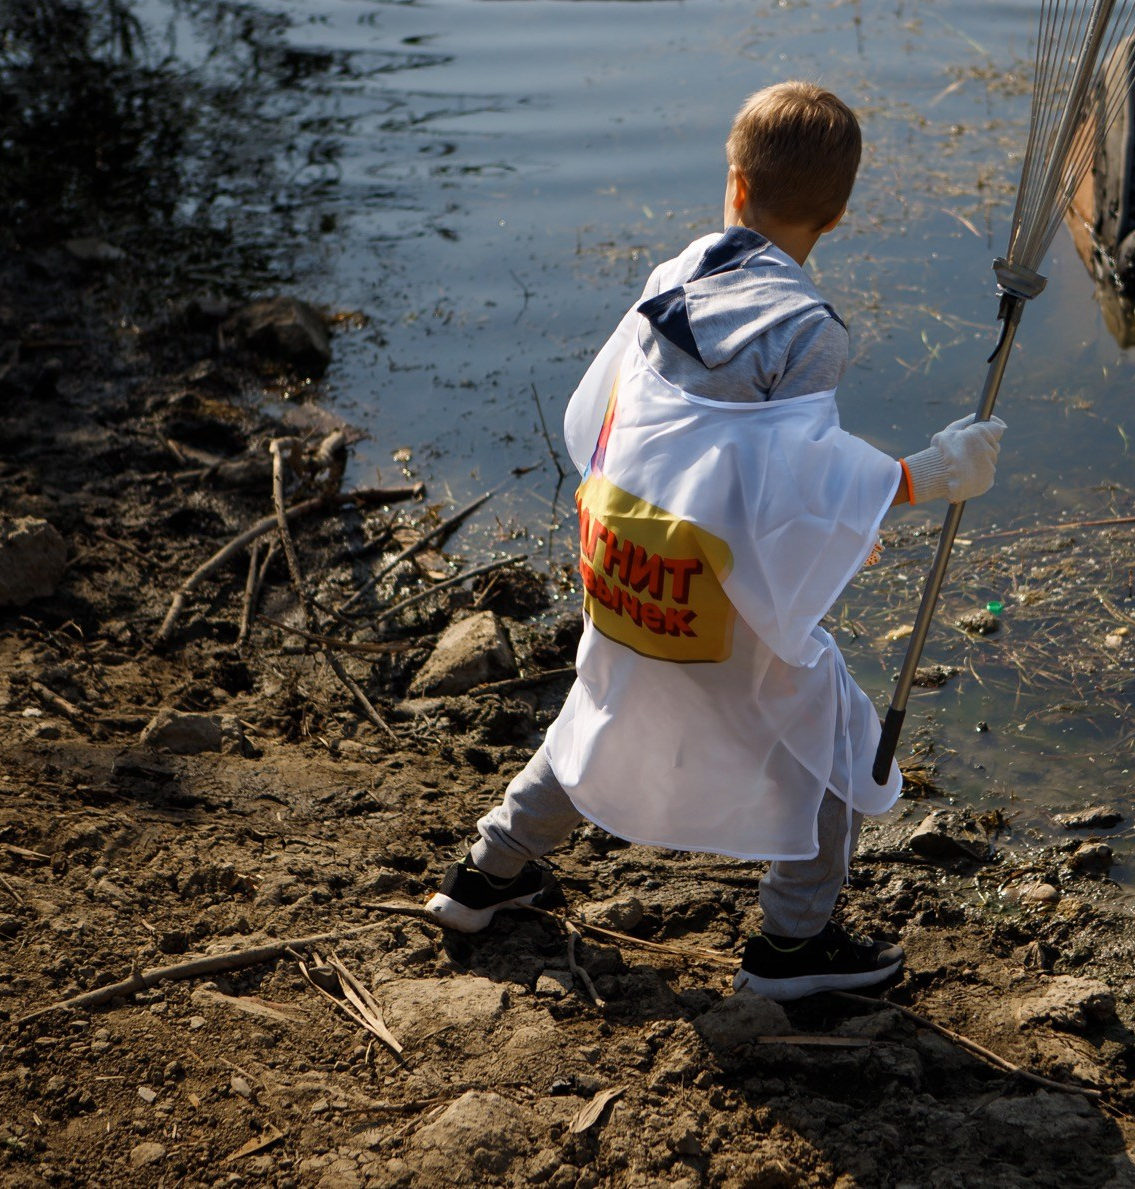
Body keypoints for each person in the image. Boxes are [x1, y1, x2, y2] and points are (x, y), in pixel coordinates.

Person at [423, 81, 1007, 1000]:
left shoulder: (676, 275)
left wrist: (833, 532)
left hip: (620, 556)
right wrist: (923, 475)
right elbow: (789, 472)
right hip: (706, 595)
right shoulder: (809, 330)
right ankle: (792, 948)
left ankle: (482, 875)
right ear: (842, 214)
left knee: (610, 704)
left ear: (734, 186)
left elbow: (683, 446)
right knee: (830, 734)